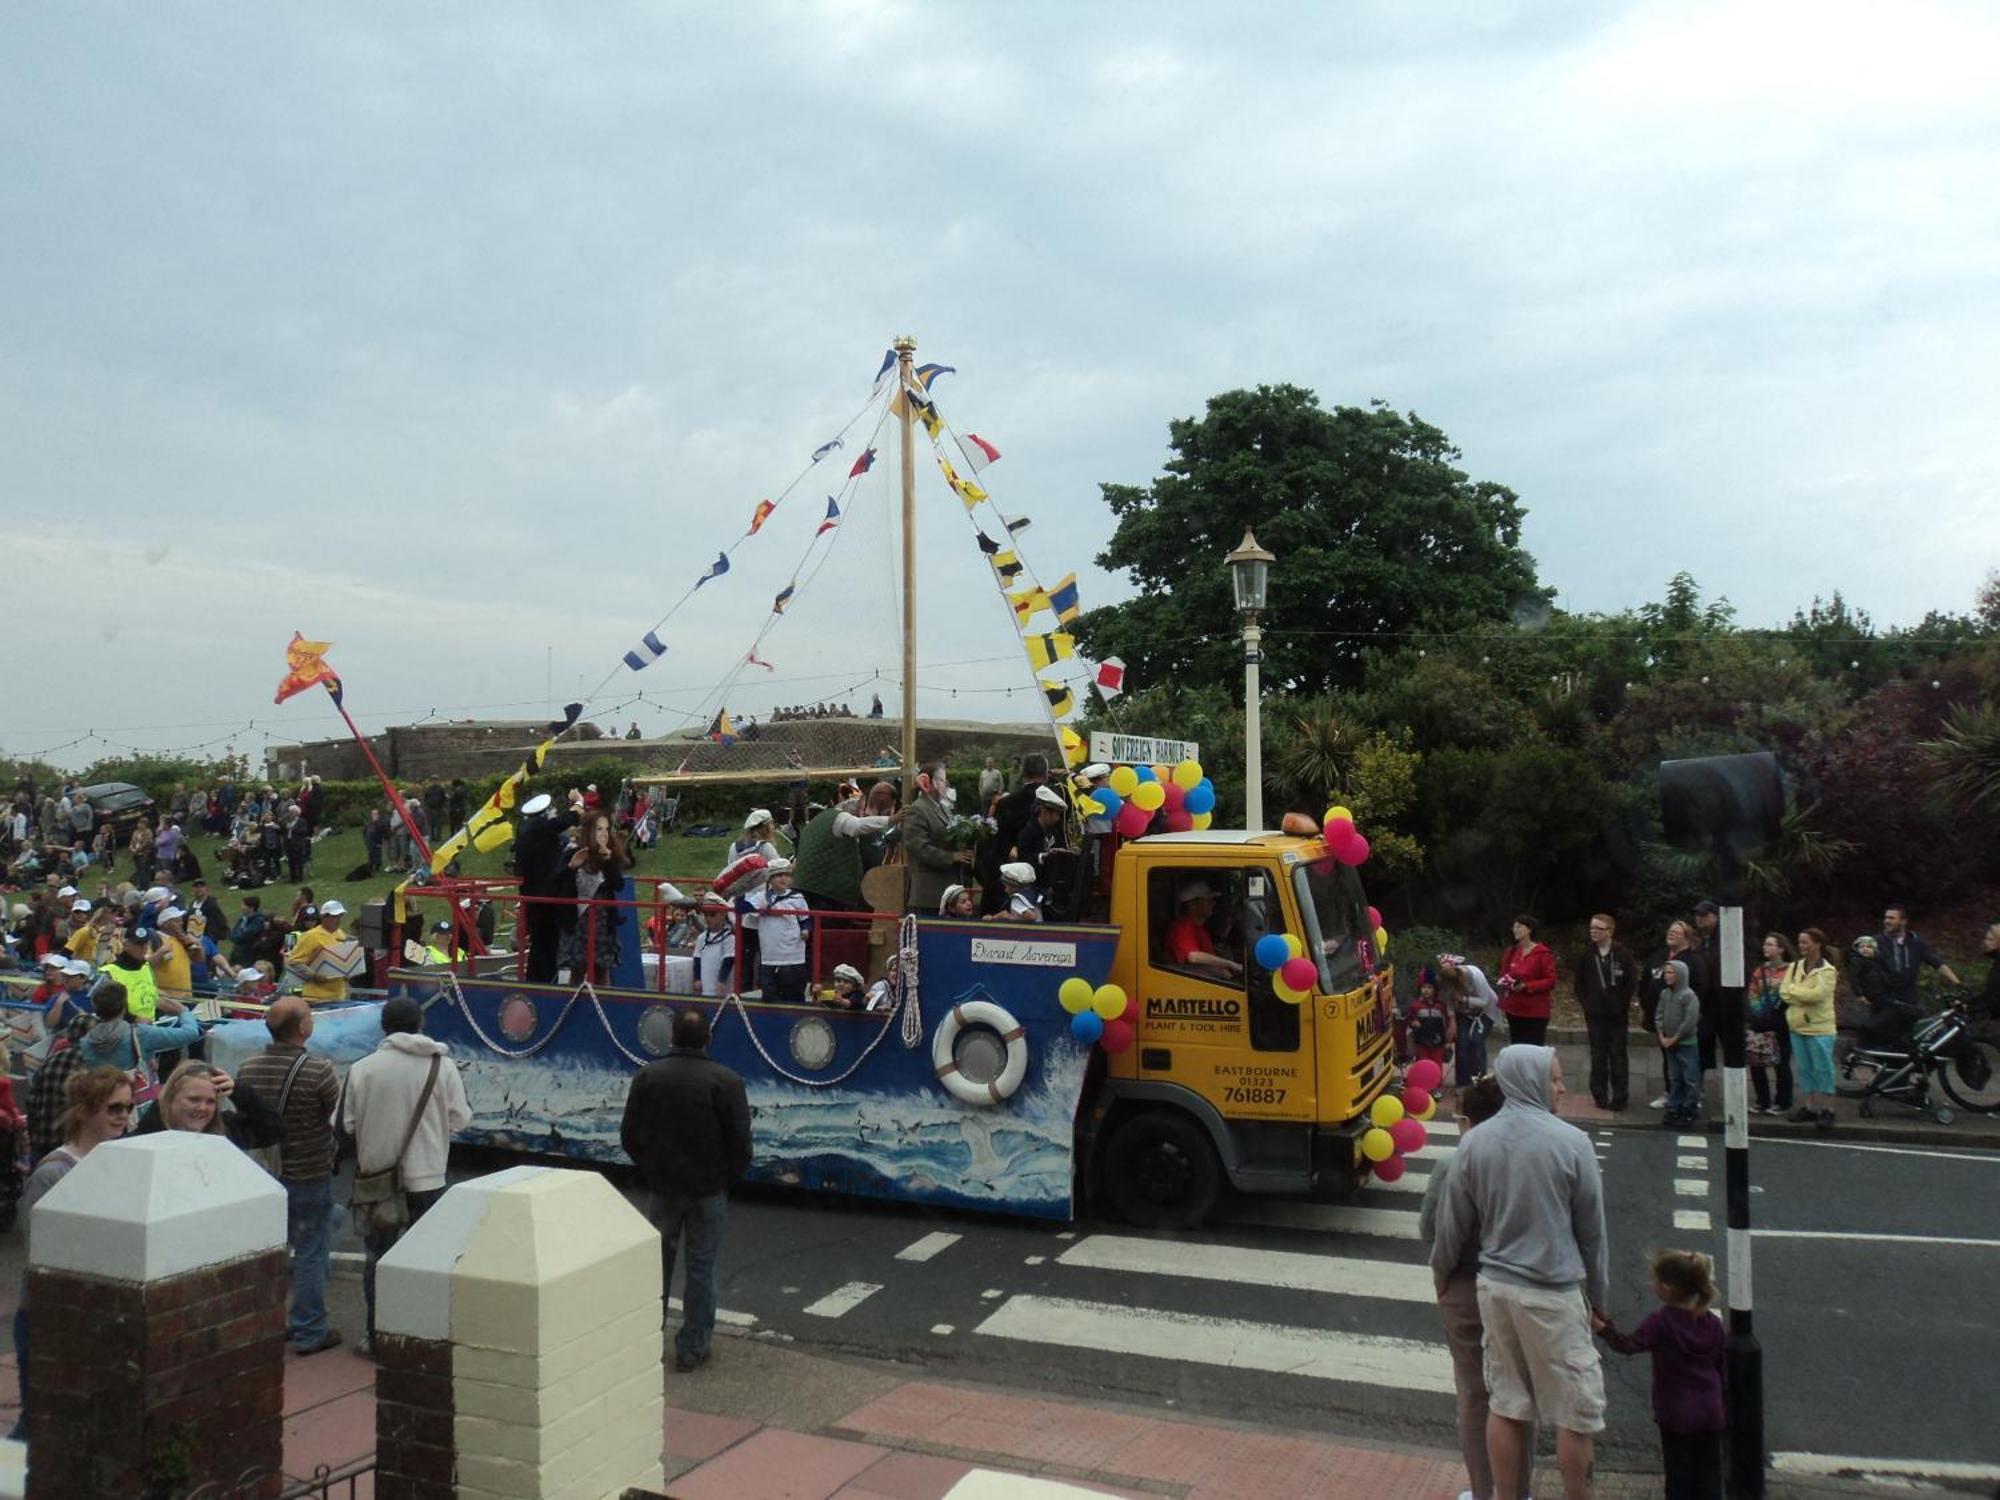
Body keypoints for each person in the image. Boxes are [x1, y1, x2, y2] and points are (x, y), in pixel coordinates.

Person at [1431, 1045, 1608, 1500]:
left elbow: (1451, 1223)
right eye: (1553, 1077)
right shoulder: (1572, 1143)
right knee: (1575, 1413)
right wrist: (1599, 1298)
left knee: (1506, 1403)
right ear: (1529, 1080)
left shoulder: (1475, 1142)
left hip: (1496, 1288)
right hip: (1552, 1290)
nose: (1562, 1086)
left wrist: (1442, 1273)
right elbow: (1592, 1233)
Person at [619, 1009, 752, 1373]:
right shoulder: (726, 1081)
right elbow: (741, 1144)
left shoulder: (649, 1077)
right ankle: (692, 1347)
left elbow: (630, 1135)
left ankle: (649, 1339)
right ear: (708, 1038)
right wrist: (724, 1177)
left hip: (664, 1185)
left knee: (657, 1267)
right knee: (701, 1267)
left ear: (672, 1037)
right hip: (708, 1187)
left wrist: (652, 1168)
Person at [1419, 1075, 1529, 1500]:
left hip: (1465, 1286)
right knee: (1518, 1394)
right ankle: (1518, 1490)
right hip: (1514, 1284)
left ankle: (1484, 1492)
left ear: (1469, 1121)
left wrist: (1441, 1278)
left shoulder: (1453, 1164)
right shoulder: (1526, 1159)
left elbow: (1432, 1229)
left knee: (1473, 1393)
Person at [343, 996, 472, 1353]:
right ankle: (420, 1337)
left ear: (384, 1027)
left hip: (377, 1179)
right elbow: (460, 1119)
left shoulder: (362, 1068)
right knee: (426, 1261)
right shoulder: (441, 1067)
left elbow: (345, 1123)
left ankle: (376, 1337)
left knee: (378, 1260)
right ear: (420, 1025)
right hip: (428, 1178)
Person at [13, 1067, 135, 1439]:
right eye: (113, 1108)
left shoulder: (120, 1161)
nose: (124, 1117)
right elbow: (39, 1253)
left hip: (93, 1313)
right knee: (38, 1419)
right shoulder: (54, 1173)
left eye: (128, 1108)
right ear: (83, 1110)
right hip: (48, 1315)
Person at [236, 997, 343, 1354]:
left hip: (265, 1174)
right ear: (301, 1028)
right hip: (310, 1172)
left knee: (271, 1251)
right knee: (311, 1251)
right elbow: (337, 1118)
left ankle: (268, 1320)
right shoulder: (319, 1071)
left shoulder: (248, 1069)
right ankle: (310, 1329)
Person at [1593, 1251, 1725, 1500]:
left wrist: (1603, 1329)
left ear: (1666, 1288)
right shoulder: (1712, 1323)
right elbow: (1721, 1367)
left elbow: (1628, 1345)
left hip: (1677, 1413)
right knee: (1709, 1476)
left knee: (1679, 1477)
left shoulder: (1662, 1322)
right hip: (1711, 1410)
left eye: (1655, 1281)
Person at [792, 787, 898, 916]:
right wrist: (891, 819)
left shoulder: (819, 820)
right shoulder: (841, 819)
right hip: (826, 895)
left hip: (806, 889)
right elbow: (857, 826)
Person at [75, 979, 201, 1086]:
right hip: (133, 1101)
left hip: (99, 1102)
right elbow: (190, 1033)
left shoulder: (85, 1041)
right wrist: (183, 1011)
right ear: (124, 1007)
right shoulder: (140, 1034)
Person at [132, 1058, 280, 1149]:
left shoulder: (225, 1132)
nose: (202, 1108)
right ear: (170, 1098)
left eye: (211, 1102)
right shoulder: (142, 1140)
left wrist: (239, 1091)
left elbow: (274, 1130)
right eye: (193, 1099)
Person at [1574, 914, 1638, 1111]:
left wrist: (1621, 1003)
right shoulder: (1587, 955)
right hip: (1595, 1015)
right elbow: (1579, 984)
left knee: (1618, 1054)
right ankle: (1599, 1094)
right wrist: (1588, 1004)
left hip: (1617, 1015)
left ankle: (1620, 1096)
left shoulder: (1623, 954)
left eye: (1599, 928)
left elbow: (1631, 982)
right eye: (1592, 928)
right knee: (1597, 1055)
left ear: (1609, 931)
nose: (1594, 931)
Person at [559, 811, 631, 983]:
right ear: (589, 831)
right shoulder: (572, 853)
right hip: (578, 920)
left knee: (601, 970)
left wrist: (608, 862)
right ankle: (576, 1006)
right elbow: (558, 883)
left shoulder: (610, 855)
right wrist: (571, 867)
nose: (604, 833)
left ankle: (603, 1007)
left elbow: (618, 885)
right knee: (578, 970)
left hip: (602, 921)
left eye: (606, 829)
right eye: (599, 829)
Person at [516, 793, 580, 983]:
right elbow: (569, 818)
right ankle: (542, 983)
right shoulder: (540, 829)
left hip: (533, 897)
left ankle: (539, 981)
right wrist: (578, 802)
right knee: (547, 944)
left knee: (542, 943)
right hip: (546, 898)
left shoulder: (526, 833)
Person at [1642, 922, 1707, 1109]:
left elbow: (1701, 989)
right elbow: (1646, 982)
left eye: (1676, 932)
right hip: (1662, 1020)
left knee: (1687, 1064)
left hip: (1683, 1024)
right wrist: (1645, 1009)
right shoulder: (1658, 957)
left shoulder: (1694, 961)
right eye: (1669, 930)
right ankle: (1670, 1093)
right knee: (1669, 1062)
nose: (1670, 933)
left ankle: (1691, 1098)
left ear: (1686, 937)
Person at [1781, 928, 1839, 1132]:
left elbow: (1818, 995)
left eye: (1805, 942)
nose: (1801, 946)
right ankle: (1810, 1106)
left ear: (1817, 944)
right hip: (1797, 1026)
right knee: (1805, 1069)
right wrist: (1798, 993)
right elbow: (1783, 992)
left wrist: (1795, 992)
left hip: (1820, 1028)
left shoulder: (1827, 971)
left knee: (1823, 1069)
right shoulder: (1795, 967)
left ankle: (1828, 1109)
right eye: (1800, 942)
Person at [902, 762, 972, 915]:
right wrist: (951, 856)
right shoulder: (918, 809)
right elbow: (918, 847)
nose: (945, 784)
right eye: (941, 780)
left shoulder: (944, 808)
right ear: (928, 783)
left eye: (945, 780)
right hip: (929, 894)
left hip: (948, 893)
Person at [744, 858, 811, 1001]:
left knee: (793, 996)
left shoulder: (797, 898)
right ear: (770, 878)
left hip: (792, 956)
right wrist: (767, 911)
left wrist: (805, 931)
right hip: (769, 956)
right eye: (779, 875)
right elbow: (745, 908)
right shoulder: (761, 897)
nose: (783, 878)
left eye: (786, 875)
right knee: (769, 997)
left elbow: (805, 920)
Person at [1875, 904, 1961, 1009]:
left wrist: (1958, 984)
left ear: (1903, 921)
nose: (1886, 921)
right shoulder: (1876, 942)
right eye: (1885, 917)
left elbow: (1937, 963)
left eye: (1891, 918)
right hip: (1883, 999)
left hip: (1908, 999)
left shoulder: (1916, 943)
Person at [1747, 933, 1795, 1115]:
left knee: (1781, 1062)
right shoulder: (1760, 971)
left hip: (1782, 1020)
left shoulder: (1791, 970)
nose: (1766, 948)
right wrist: (1759, 1012)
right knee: (1756, 1060)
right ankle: (1762, 1100)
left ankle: (1783, 1101)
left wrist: (1777, 1008)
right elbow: (1753, 993)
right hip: (1761, 1020)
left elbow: (1792, 993)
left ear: (1781, 949)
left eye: (1770, 944)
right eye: (1765, 944)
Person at [1495, 915, 1556, 1048]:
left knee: (1534, 1049)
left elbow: (1550, 980)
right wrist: (1506, 982)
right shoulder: (1511, 951)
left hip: (1535, 1011)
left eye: (1519, 926)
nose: (1515, 930)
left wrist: (1527, 986)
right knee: (1517, 1047)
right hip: (1514, 1010)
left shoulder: (1543, 953)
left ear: (1529, 929)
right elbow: (1504, 974)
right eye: (1514, 927)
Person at [1438, 954, 1499, 1088]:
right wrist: (1452, 1022)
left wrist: (1464, 999)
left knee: (1476, 1040)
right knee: (1462, 1042)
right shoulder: (1446, 981)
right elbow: (1448, 1003)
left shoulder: (1476, 975)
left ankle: (1480, 1081)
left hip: (1486, 1011)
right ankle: (1462, 1083)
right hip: (1463, 1013)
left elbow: (1485, 1000)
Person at [1655, 959, 1702, 1128]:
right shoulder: (1665, 994)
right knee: (1674, 1076)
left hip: (1686, 1043)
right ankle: (1674, 1106)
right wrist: (1661, 1034)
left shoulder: (1689, 996)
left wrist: (1675, 1038)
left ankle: (1689, 1108)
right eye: (1666, 972)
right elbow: (1659, 1014)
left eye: (1670, 972)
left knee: (1689, 1076)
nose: (1667, 976)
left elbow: (1689, 1021)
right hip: (1669, 1041)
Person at [1163, 880, 1243, 980]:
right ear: (1192, 905)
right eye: (1208, 900)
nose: (1213, 903)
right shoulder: (1183, 926)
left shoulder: (1200, 928)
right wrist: (1231, 965)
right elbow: (1193, 957)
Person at [285, 899, 356, 1003]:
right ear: (324, 917)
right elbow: (294, 962)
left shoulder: (340, 934)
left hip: (338, 996)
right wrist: (314, 975)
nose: (338, 920)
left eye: (340, 916)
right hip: (316, 998)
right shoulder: (310, 936)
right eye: (334, 917)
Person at [99, 924, 164, 1022]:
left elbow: (154, 998)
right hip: (123, 1030)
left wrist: (180, 1010)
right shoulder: (109, 971)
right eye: (138, 944)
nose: (144, 948)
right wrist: (134, 1019)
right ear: (125, 945)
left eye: (146, 944)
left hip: (150, 1028)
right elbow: (106, 1008)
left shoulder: (146, 967)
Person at [1690, 900, 1724, 1073]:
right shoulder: (1695, 941)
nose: (1699, 918)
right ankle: (1698, 1089)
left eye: (1704, 915)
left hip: (1725, 1001)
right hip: (1703, 1003)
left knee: (1731, 1046)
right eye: (1697, 915)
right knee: (1701, 1044)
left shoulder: (1726, 938)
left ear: (1715, 917)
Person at [690, 893, 737, 997]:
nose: (708, 918)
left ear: (723, 914)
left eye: (712, 915)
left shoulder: (729, 938)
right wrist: (697, 979)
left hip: (723, 986)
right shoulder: (702, 937)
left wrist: (721, 981)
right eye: (706, 915)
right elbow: (697, 958)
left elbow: (728, 960)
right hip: (706, 981)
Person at [1407, 975, 1453, 1073]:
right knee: (1423, 1065)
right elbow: (1410, 1021)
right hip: (1421, 1041)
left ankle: (1437, 1085)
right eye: (1423, 987)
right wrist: (1413, 1023)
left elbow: (1447, 1023)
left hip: (1438, 1041)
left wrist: (1448, 1041)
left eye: (1429, 987)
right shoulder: (1415, 1006)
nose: (1426, 990)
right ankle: (1424, 1085)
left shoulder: (1441, 1006)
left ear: (1435, 990)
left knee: (1437, 1066)